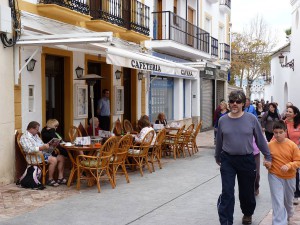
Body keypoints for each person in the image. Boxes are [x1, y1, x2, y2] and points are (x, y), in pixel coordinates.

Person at [215, 90, 272, 225]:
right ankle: (226, 220)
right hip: (228, 160)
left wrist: (268, 156)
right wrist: (218, 156)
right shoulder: (223, 120)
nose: (235, 104)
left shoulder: (251, 119)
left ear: (243, 104)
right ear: (229, 103)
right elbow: (219, 140)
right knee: (227, 192)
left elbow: (260, 139)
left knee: (246, 192)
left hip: (246, 159)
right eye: (232, 101)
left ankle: (247, 213)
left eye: (238, 101)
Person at [264, 120, 300, 224]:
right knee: (278, 202)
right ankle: (279, 222)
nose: (278, 135)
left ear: (285, 132)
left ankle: (288, 215)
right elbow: (267, 159)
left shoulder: (292, 145)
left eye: (280, 132)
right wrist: (267, 164)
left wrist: (289, 165)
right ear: (273, 132)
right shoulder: (270, 145)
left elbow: (298, 161)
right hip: (274, 175)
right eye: (276, 132)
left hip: (290, 177)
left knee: (288, 202)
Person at [20, 121, 66, 187]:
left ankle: (60, 178)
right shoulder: (25, 137)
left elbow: (41, 144)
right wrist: (41, 148)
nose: (38, 131)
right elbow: (28, 149)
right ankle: (50, 179)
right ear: (31, 129)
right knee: (53, 160)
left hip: (43, 154)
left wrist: (50, 146)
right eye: (37, 129)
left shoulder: (35, 135)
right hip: (35, 157)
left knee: (61, 158)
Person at [285, 105, 300, 205]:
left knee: (297, 171)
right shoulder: (283, 123)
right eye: (287, 111)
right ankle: (292, 193)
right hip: (288, 151)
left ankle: (296, 193)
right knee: (292, 171)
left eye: (290, 112)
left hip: (299, 150)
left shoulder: (298, 124)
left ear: (295, 114)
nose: (287, 113)